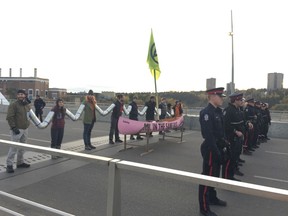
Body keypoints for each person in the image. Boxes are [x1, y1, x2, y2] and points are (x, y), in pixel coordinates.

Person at [198, 87, 227, 216]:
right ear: (212, 96)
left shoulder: (218, 111)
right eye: (220, 96)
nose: (222, 99)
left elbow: (221, 132)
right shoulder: (206, 113)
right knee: (207, 176)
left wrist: (225, 144)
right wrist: (216, 152)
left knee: (214, 175)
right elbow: (208, 136)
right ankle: (204, 207)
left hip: (218, 147)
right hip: (211, 149)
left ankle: (212, 197)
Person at [6, 89, 31, 173]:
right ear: (17, 96)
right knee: (14, 148)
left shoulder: (26, 105)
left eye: (22, 94)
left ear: (25, 95)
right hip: (17, 129)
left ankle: (20, 162)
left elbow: (29, 115)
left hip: (25, 128)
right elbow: (10, 117)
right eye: (19, 94)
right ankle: (9, 165)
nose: (21, 95)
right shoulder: (13, 105)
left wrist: (28, 124)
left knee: (22, 147)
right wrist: (13, 127)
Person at [222, 92, 246, 181]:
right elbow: (225, 125)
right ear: (235, 100)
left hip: (238, 138)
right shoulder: (228, 110)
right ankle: (226, 177)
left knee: (235, 156)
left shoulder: (238, 110)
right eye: (240, 100)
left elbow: (241, 122)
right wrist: (235, 131)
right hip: (231, 138)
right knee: (230, 158)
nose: (241, 101)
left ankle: (232, 172)